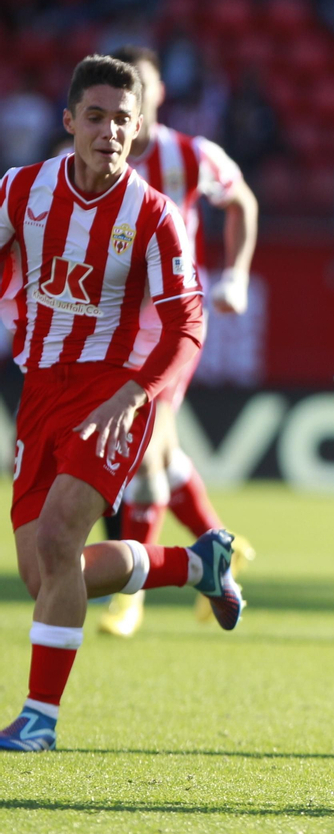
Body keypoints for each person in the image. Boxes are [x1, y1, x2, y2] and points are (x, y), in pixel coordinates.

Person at [0, 55, 243, 753]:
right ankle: (197, 566)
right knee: (39, 574)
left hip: (113, 392)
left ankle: (39, 721)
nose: (109, 131)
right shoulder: (21, 191)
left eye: (122, 121)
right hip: (41, 388)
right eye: (96, 116)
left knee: (57, 544)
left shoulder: (153, 216)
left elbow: (188, 325)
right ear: (69, 121)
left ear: (137, 134)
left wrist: (138, 394)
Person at [94, 44, 259, 638]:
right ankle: (222, 548)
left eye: (140, 84)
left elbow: (242, 200)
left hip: (172, 321)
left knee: (145, 448)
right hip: (108, 325)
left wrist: (235, 274)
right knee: (159, 453)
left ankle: (129, 593)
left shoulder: (190, 154)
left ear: (158, 92)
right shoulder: (85, 159)